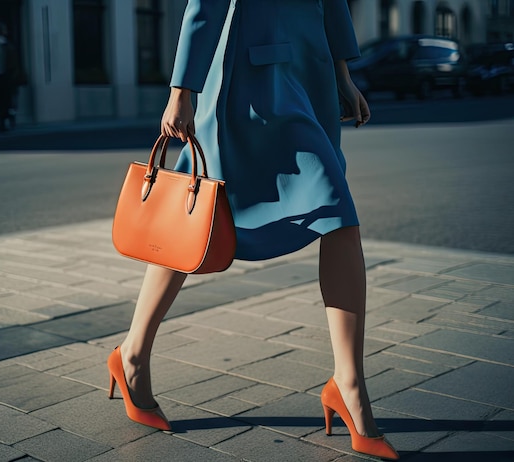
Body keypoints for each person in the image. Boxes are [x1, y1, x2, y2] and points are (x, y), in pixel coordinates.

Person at [107, 1, 399, 460]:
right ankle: (133, 355)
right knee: (196, 220)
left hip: (311, 72)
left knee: (339, 216)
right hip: (250, 80)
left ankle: (349, 384)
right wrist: (182, 90)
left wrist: (342, 73)